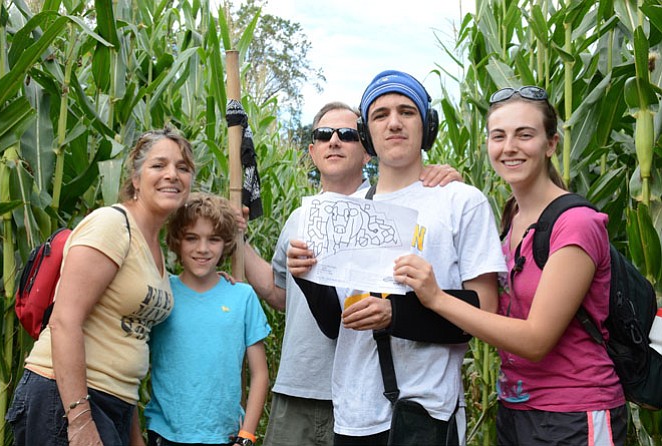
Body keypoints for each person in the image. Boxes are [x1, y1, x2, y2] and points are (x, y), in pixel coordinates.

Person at [392, 86, 627, 445]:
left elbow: (535, 340)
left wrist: (436, 297)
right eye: (498, 136)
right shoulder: (510, 219)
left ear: (551, 144)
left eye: (525, 135)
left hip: (574, 412)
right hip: (515, 409)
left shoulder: (576, 224)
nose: (509, 147)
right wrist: (446, 192)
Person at [287, 71, 505, 445]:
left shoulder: (460, 201)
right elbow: (336, 326)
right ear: (368, 133)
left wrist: (396, 314)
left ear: (427, 127)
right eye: (380, 114)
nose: (394, 123)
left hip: (426, 412)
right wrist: (307, 279)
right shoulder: (343, 210)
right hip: (354, 413)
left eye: (407, 112)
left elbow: (486, 311)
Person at [242, 101, 462, 446]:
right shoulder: (298, 218)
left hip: (366, 399)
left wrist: (440, 180)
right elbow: (279, 294)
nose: (334, 141)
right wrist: (235, 240)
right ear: (312, 151)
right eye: (323, 135)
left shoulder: (392, 211)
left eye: (347, 134)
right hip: (296, 388)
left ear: (368, 152)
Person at [6, 127, 196, 446]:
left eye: (183, 167)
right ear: (136, 178)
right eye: (158, 165)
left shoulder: (154, 248)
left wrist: (132, 433)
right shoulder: (112, 225)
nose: (172, 175)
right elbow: (65, 321)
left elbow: (124, 342)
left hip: (112, 405)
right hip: (64, 399)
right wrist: (79, 422)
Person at [145, 192, 270, 446]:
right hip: (166, 434)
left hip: (223, 436)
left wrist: (246, 435)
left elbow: (260, 374)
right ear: (177, 241)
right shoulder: (161, 292)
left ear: (225, 243)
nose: (202, 249)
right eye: (192, 238)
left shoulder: (242, 296)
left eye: (213, 239)